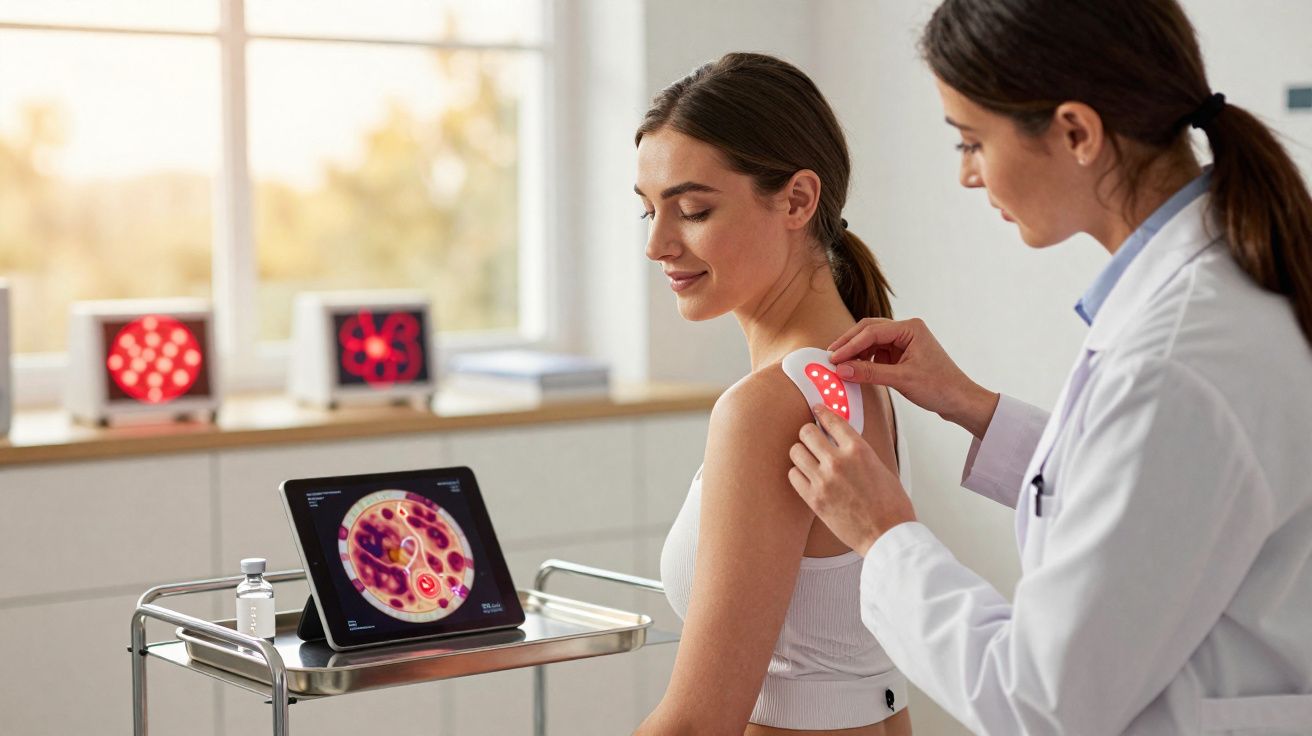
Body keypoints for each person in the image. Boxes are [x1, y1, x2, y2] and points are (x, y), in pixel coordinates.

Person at [787, 0, 1312, 733]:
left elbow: (1040, 700)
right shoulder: (1220, 292)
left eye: (971, 141)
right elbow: (1164, 498)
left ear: (1076, 132)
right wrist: (976, 407)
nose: (967, 175)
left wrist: (885, 537)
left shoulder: (1176, 357)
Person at [632, 53, 912, 735]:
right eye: (648, 212)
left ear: (797, 200)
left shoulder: (768, 406)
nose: (659, 244)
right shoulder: (859, 376)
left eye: (693, 210)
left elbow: (699, 722)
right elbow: (871, 681)